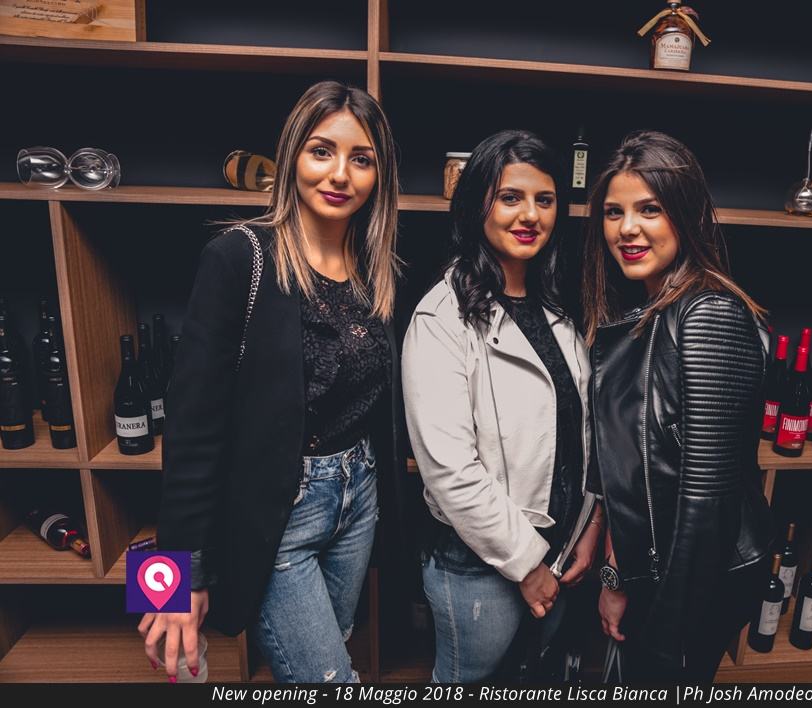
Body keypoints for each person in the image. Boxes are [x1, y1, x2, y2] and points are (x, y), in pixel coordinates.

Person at [139, 81, 403, 684]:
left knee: (330, 651)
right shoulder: (238, 257)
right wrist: (173, 582)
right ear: (292, 156)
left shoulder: (377, 270)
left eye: (361, 159)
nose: (340, 174)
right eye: (321, 151)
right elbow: (191, 428)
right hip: (278, 514)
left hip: (358, 500)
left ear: (379, 175)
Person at [402, 129, 603, 683]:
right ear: (477, 206)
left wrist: (590, 522)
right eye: (510, 197)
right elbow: (451, 472)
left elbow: (579, 434)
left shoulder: (557, 306)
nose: (530, 215)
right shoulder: (441, 318)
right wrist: (527, 564)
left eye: (545, 199)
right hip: (481, 566)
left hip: (560, 551)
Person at [581, 130, 775, 682]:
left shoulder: (707, 313)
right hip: (653, 573)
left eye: (650, 209)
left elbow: (706, 505)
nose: (627, 228)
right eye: (614, 212)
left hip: (692, 588)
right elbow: (630, 474)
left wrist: (666, 641)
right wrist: (616, 577)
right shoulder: (648, 314)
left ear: (685, 215)